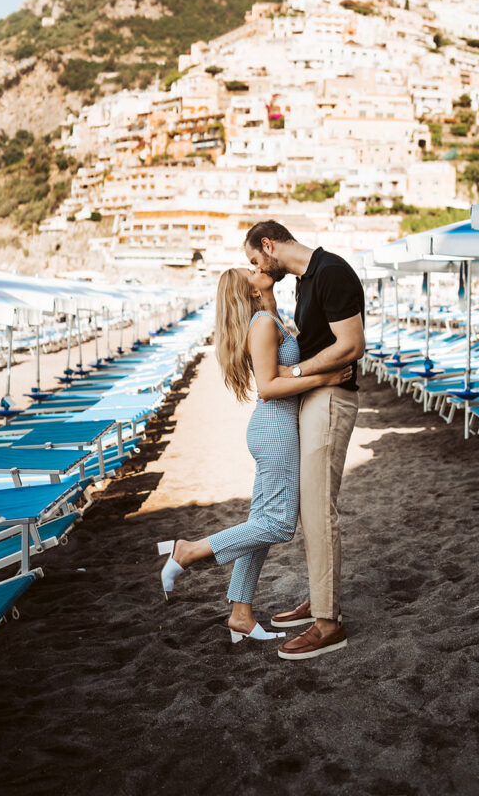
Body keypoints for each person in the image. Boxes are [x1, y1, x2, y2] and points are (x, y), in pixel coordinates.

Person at [156, 266, 351, 643]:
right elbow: (268, 387)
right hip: (276, 430)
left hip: (273, 429)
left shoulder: (268, 315)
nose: (257, 268)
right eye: (251, 270)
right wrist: (324, 379)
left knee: (260, 522)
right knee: (277, 524)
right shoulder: (262, 323)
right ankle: (189, 551)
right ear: (247, 291)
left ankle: (240, 614)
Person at [244, 220, 365, 661]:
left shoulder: (331, 272)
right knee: (311, 507)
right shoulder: (303, 281)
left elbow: (352, 344)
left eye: (255, 259)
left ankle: (329, 622)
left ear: (269, 244)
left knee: (318, 510)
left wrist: (293, 373)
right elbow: (310, 340)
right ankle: (319, 600)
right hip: (316, 396)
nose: (256, 268)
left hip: (331, 399)